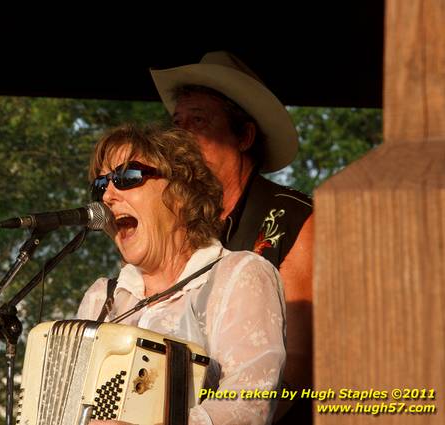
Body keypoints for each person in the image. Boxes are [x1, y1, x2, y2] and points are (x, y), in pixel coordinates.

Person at [77, 124, 287, 425]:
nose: (107, 196)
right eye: (100, 185)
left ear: (180, 193)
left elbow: (249, 404)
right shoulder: (102, 298)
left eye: (126, 177)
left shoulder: (238, 276)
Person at [151, 52, 313, 422]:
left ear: (244, 136)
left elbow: (297, 364)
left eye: (199, 122)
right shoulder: (175, 224)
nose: (181, 137)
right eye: (178, 123)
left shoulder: (295, 217)